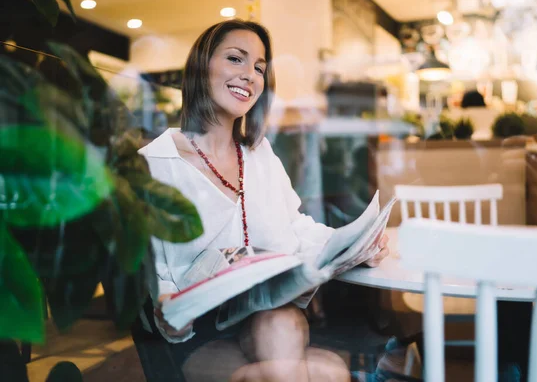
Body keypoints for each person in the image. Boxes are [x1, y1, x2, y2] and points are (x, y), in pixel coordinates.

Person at [138, 19, 390, 381]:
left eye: (259, 67)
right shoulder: (154, 163)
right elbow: (152, 267)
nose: (250, 75)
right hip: (195, 336)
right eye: (236, 59)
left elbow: (296, 227)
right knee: (329, 372)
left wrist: (356, 244)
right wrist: (165, 303)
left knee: (282, 324)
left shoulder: (259, 155)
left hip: (263, 318)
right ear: (201, 66)